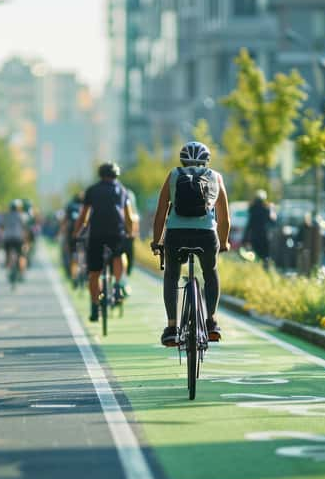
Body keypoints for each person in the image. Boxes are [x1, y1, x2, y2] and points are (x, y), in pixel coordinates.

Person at [150, 141, 230, 347]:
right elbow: (225, 218)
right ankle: (211, 322)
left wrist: (156, 241)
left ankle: (171, 327)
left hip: (177, 234)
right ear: (207, 161)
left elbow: (160, 213)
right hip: (206, 235)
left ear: (182, 160)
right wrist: (223, 243)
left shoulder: (173, 175)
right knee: (210, 273)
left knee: (171, 274)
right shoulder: (216, 177)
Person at [73, 162, 135, 322]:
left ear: (100, 175)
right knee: (118, 255)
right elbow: (128, 215)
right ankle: (117, 286)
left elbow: (84, 215)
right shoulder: (122, 190)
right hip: (117, 231)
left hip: (97, 234)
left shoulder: (92, 190)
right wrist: (130, 232)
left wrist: (77, 232)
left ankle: (95, 307)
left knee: (94, 273)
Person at [243, 189, 274, 269]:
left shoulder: (252, 208)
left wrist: (245, 238)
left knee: (255, 255)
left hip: (255, 236)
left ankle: (256, 269)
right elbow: (272, 222)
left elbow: (249, 224)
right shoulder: (266, 209)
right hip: (264, 236)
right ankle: (265, 269)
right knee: (265, 256)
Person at [2, 199, 31, 279]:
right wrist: (26, 240)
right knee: (21, 255)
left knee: (7, 253)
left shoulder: (6, 215)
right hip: (18, 238)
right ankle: (21, 273)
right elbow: (25, 228)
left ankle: (8, 266)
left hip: (7, 238)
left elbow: (2, 226)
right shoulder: (22, 216)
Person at [60, 193, 83, 279]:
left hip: (71, 233)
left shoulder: (70, 207)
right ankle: (82, 270)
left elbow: (65, 221)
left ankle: (74, 276)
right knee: (82, 252)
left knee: (72, 253)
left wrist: (62, 232)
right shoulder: (86, 206)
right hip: (84, 233)